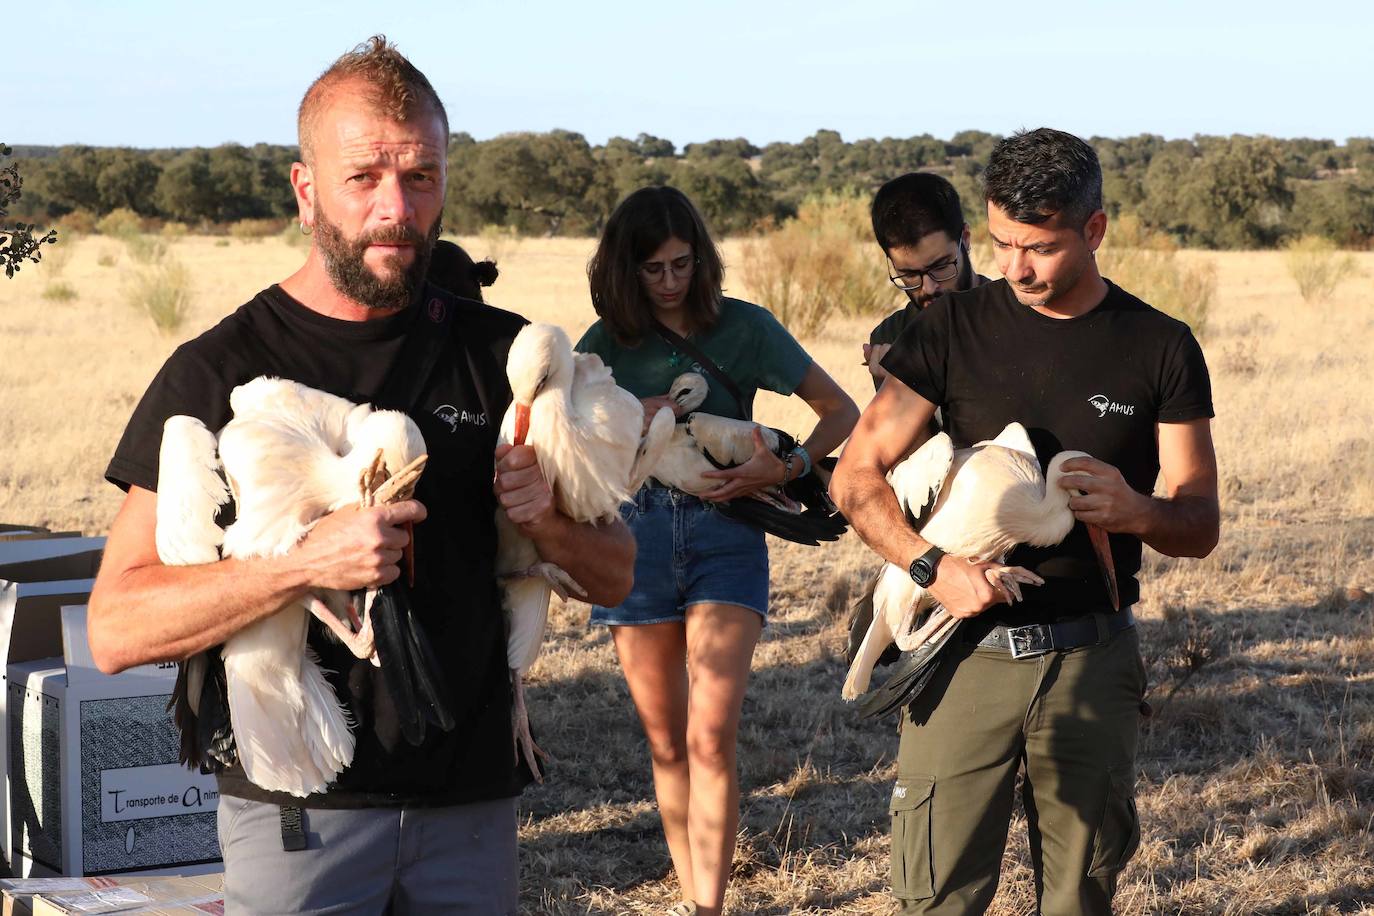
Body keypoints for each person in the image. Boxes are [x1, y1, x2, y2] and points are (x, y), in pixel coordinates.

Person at [87, 36, 634, 914]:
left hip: (470, 806)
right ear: (305, 191)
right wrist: (303, 564)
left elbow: (615, 573)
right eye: (364, 178)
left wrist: (552, 524)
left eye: (420, 177)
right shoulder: (217, 371)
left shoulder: (500, 354)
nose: (396, 208)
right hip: (297, 813)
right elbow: (114, 628)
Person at [831, 128, 1219, 915]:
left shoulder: (1162, 348)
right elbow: (854, 478)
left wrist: (1139, 509)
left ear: (1096, 230)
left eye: (1037, 247)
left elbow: (1200, 521)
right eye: (1002, 243)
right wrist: (931, 569)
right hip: (961, 657)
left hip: (1091, 657)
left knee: (1078, 898)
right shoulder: (948, 330)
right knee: (936, 897)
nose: (1014, 268)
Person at [576, 186, 858, 916]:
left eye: (680, 264)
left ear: (701, 259)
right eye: (652, 270)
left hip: (727, 536)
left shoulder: (745, 328)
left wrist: (788, 467)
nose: (669, 282)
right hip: (633, 541)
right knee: (667, 743)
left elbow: (841, 411)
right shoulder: (604, 344)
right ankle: (690, 887)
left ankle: (709, 907)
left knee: (710, 735)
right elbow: (571, 447)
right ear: (623, 271)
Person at [864, 172, 988, 389]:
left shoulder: (1018, 316)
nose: (928, 288)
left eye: (940, 267)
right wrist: (895, 392)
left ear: (965, 239)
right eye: (909, 274)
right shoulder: (891, 338)